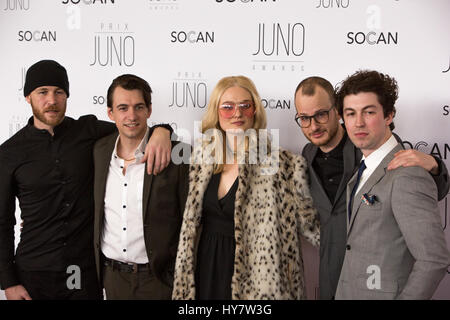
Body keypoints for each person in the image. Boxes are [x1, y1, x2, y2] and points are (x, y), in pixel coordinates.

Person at [0, 60, 172, 300]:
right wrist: (9, 282)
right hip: (34, 272)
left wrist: (163, 131)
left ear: (67, 96)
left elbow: (130, 127)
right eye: (43, 92)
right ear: (28, 97)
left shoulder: (88, 131)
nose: (52, 100)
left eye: (59, 92)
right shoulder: (9, 153)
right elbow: (3, 222)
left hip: (83, 271)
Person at [294, 76, 450, 299]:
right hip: (332, 279)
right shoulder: (307, 155)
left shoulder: (380, 151)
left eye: (320, 114)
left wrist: (434, 165)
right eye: (304, 118)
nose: (313, 125)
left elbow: (420, 188)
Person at [172, 75, 319, 300]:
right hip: (205, 270)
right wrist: (160, 131)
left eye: (245, 106)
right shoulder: (200, 160)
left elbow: (313, 226)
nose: (237, 113)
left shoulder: (285, 165)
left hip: (259, 282)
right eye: (228, 107)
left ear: (255, 111)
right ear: (216, 112)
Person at [93, 74, 189, 299]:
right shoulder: (98, 151)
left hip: (158, 280)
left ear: (149, 110)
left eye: (138, 107)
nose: (131, 116)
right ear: (110, 113)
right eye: (123, 108)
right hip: (112, 278)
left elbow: (192, 220)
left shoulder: (178, 154)